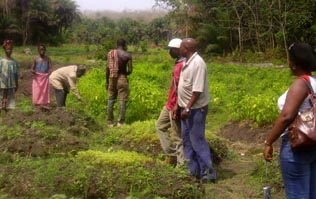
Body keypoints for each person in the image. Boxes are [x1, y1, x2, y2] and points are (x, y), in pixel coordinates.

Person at [264, 42, 316, 198]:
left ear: (293, 63)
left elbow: (287, 116)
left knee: (297, 193)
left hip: (296, 146)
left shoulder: (301, 84)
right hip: (312, 143)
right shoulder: (313, 82)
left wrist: (269, 142)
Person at [177, 38, 216, 183]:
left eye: (181, 46)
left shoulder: (198, 63)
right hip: (186, 109)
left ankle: (208, 174)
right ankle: (193, 171)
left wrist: (187, 107)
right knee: (187, 141)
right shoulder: (187, 62)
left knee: (197, 141)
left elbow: (197, 90)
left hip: (194, 109)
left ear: (186, 48)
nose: (179, 48)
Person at [156, 38, 185, 167]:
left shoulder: (182, 65)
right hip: (169, 104)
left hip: (175, 105)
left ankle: (182, 165)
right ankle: (173, 155)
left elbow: (182, 88)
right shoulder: (178, 63)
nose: (169, 53)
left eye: (171, 50)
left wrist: (176, 106)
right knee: (160, 126)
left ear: (177, 50)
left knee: (178, 136)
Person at [106, 39, 132, 127]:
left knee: (111, 99)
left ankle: (110, 122)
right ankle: (120, 122)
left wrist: (107, 81)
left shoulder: (111, 54)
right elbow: (130, 70)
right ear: (124, 45)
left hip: (112, 78)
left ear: (117, 44)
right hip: (122, 78)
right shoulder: (127, 55)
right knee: (122, 100)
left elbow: (107, 69)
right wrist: (124, 74)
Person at [0, 39, 19, 112]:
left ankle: (7, 107)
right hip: (2, 81)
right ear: (4, 49)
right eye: (7, 49)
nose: (9, 50)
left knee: (9, 94)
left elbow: (16, 73)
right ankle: (2, 106)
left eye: (10, 49)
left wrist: (17, 83)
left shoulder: (14, 62)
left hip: (11, 82)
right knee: (2, 94)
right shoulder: (1, 61)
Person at [31, 44, 52, 110]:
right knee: (37, 90)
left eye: (43, 49)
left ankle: (44, 103)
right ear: (38, 50)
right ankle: (37, 103)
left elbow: (50, 68)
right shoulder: (36, 59)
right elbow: (32, 68)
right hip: (37, 78)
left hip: (45, 77)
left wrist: (49, 72)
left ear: (45, 50)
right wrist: (33, 72)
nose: (42, 51)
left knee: (45, 90)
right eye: (40, 49)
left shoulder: (48, 59)